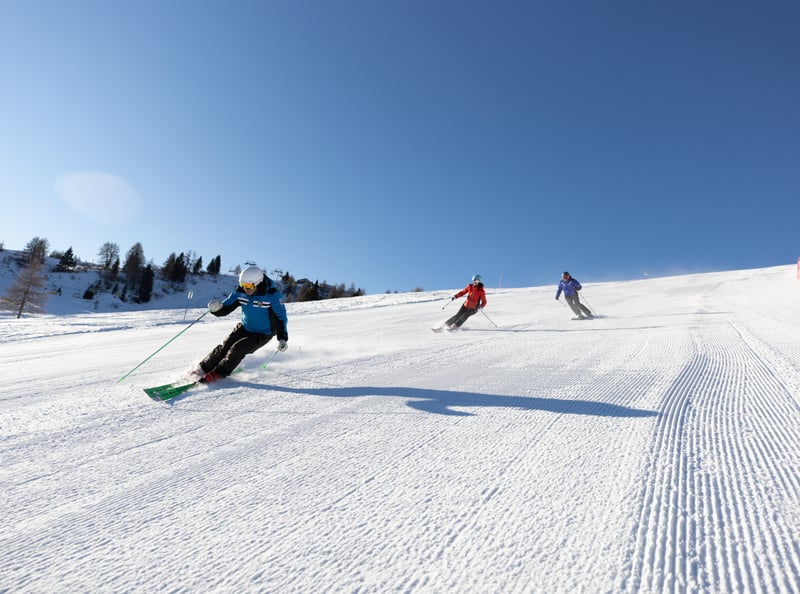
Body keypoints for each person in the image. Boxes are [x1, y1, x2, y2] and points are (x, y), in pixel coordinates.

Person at [198, 266, 288, 383]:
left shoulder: (272, 296)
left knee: (238, 348)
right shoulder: (240, 293)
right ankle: (204, 367)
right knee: (225, 346)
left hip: (263, 333)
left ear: (258, 282)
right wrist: (217, 309)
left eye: (249, 286)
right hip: (245, 327)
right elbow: (225, 308)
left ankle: (219, 373)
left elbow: (281, 317)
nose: (245, 289)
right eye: (242, 284)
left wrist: (282, 338)